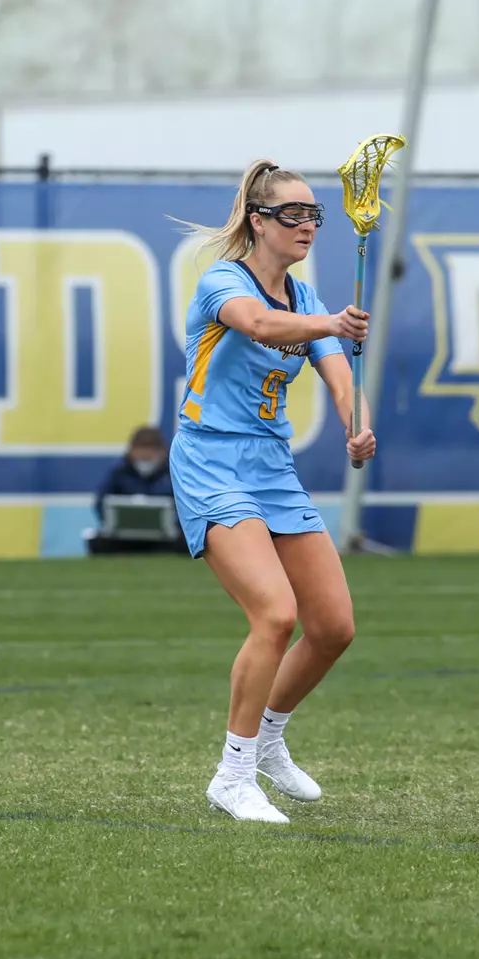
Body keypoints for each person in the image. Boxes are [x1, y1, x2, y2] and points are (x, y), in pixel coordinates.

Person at [170, 158, 376, 823]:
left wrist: (355, 423)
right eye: (294, 214)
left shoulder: (308, 299)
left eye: (315, 215)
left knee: (333, 627)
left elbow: (337, 371)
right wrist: (334, 327)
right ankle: (232, 775)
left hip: (270, 466)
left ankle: (269, 740)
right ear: (258, 222)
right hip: (210, 461)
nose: (308, 226)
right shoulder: (223, 282)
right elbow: (258, 326)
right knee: (274, 613)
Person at [86, 426, 185, 555]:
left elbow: (185, 507)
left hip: (165, 538)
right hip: (124, 537)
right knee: (97, 542)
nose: (145, 456)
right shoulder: (119, 472)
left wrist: (173, 524)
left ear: (162, 451)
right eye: (140, 450)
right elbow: (101, 502)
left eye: (150, 451)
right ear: (131, 451)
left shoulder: (173, 474)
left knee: (186, 543)